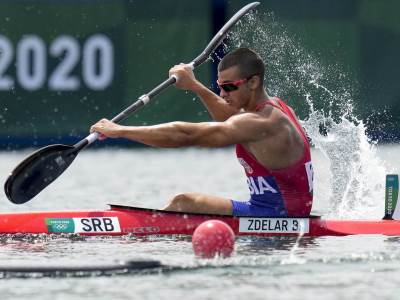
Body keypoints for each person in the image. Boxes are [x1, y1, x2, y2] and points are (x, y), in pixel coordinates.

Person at [90, 48, 313, 217]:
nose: (223, 93)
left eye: (229, 87)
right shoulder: (274, 108)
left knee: (184, 203)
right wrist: (195, 85)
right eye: (219, 86)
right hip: (279, 213)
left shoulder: (264, 124)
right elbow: (228, 116)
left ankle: (136, 236)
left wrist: (120, 131)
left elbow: (187, 135)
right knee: (186, 204)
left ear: (253, 82)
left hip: (277, 217)